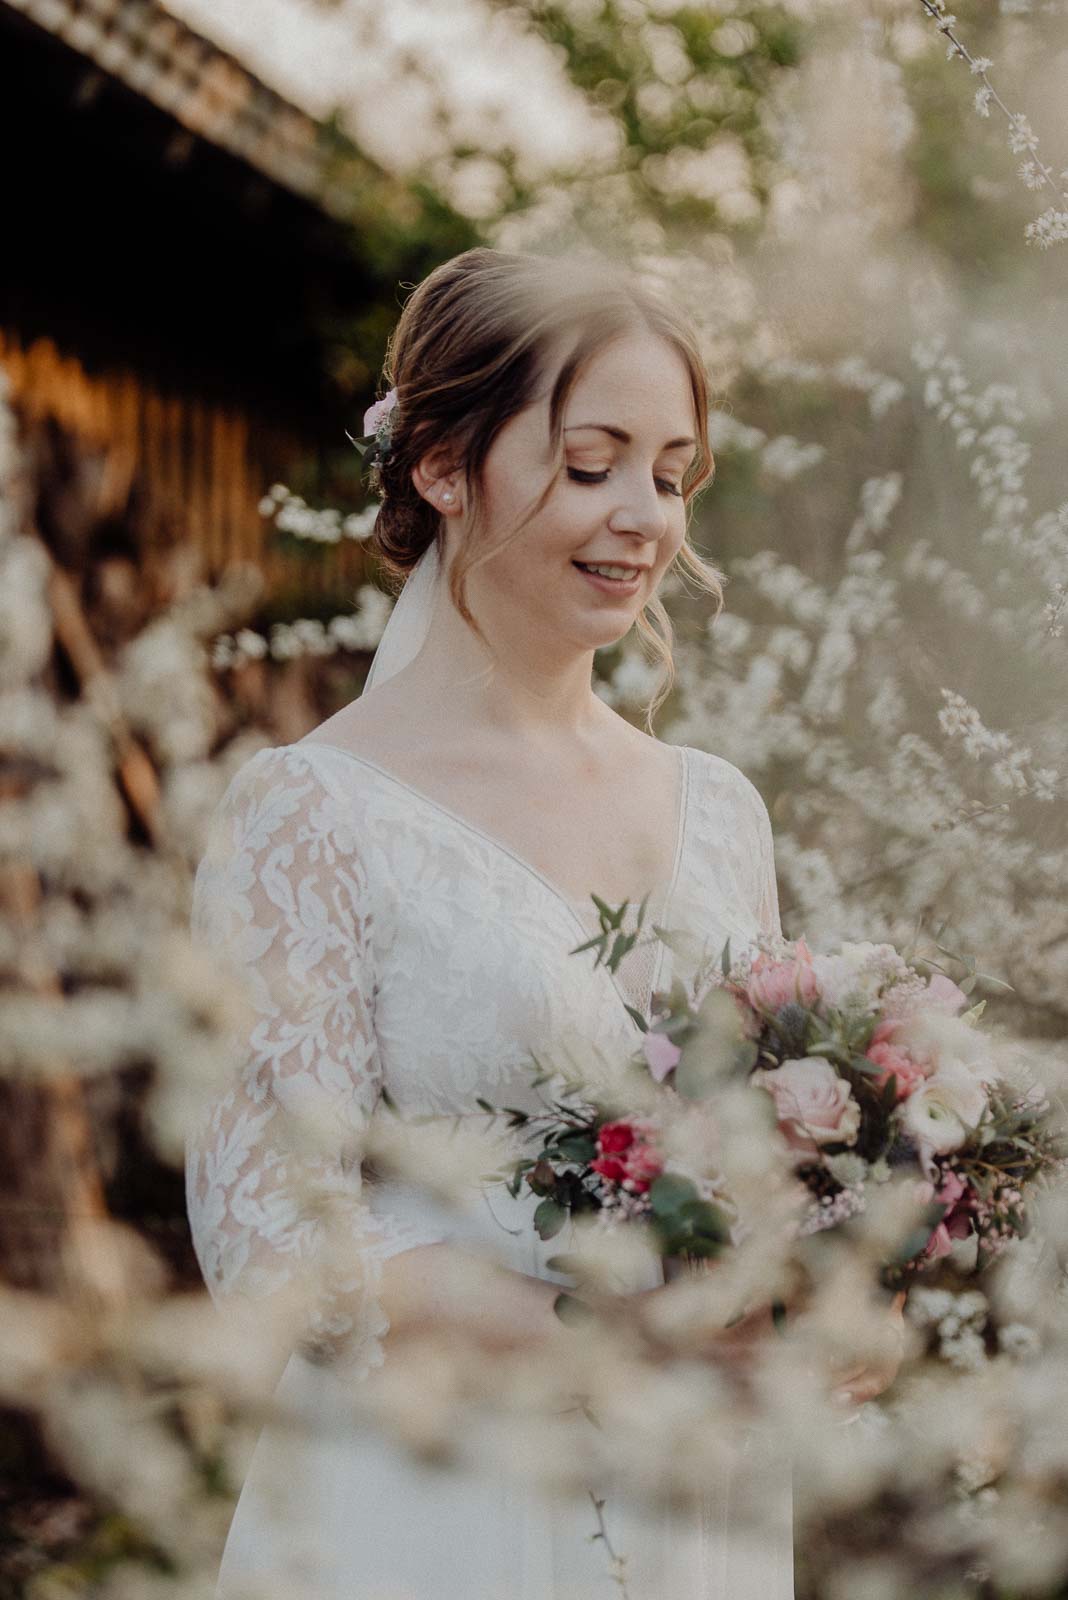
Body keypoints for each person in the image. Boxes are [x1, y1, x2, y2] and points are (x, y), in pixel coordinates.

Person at [185, 247, 902, 1599]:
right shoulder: (310, 813)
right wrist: (620, 1338)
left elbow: (771, 1137)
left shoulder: (717, 809)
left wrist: (845, 1274)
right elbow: (276, 1235)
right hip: (439, 1499)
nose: (643, 516)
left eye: (672, 473)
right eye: (591, 464)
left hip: (697, 1492)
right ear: (447, 466)